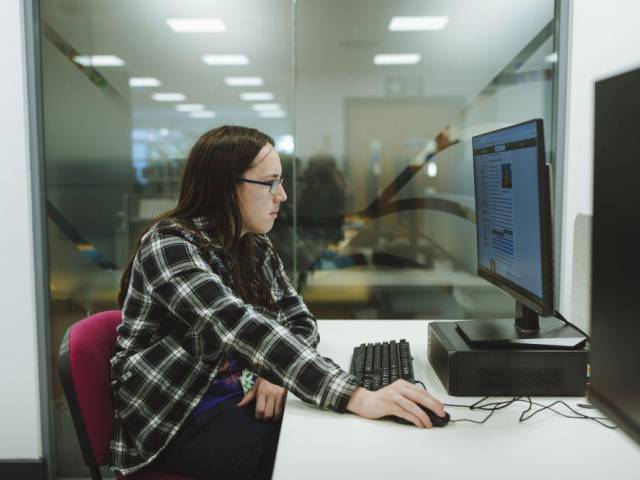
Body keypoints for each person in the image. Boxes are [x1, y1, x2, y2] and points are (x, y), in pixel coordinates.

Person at [110, 125, 445, 480]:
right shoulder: (168, 245)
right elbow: (238, 326)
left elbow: (299, 321)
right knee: (317, 448)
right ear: (226, 188)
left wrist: (275, 375)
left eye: (281, 181)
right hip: (176, 415)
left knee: (325, 431)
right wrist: (357, 396)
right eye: (269, 182)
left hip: (234, 397)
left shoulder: (253, 245)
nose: (282, 195)